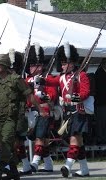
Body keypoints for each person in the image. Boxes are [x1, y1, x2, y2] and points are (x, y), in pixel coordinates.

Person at [0, 54, 47, 180]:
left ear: (4, 66)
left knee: (6, 142)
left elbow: (29, 95)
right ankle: (14, 171)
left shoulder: (15, 79)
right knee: (4, 145)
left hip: (11, 118)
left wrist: (40, 109)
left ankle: (0, 169)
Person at [45, 42, 90, 177]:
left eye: (65, 63)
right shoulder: (62, 77)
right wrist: (40, 80)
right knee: (78, 142)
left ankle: (67, 165)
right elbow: (50, 81)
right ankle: (84, 169)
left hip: (78, 111)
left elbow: (86, 92)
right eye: (62, 63)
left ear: (72, 63)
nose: (63, 65)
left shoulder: (81, 75)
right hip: (68, 113)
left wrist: (73, 98)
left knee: (74, 138)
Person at [24, 44, 58, 173]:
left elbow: (53, 95)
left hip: (44, 111)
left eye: (38, 64)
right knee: (37, 139)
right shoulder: (27, 80)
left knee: (40, 137)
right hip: (30, 112)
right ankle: (48, 164)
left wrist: (43, 95)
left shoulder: (47, 78)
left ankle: (35, 163)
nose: (35, 67)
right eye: (32, 65)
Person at [94, 59, 106, 145]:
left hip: (102, 102)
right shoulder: (99, 73)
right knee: (101, 122)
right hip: (101, 102)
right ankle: (101, 139)